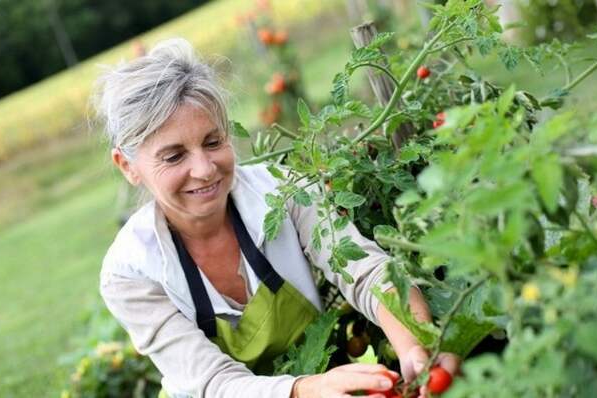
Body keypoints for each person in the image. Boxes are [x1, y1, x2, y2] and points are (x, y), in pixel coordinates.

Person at [94, 38, 459, 398]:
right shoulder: (130, 273)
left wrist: (416, 345)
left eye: (212, 142)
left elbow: (367, 274)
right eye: (174, 157)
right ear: (127, 166)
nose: (204, 170)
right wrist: (303, 390)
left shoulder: (284, 191)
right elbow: (212, 384)